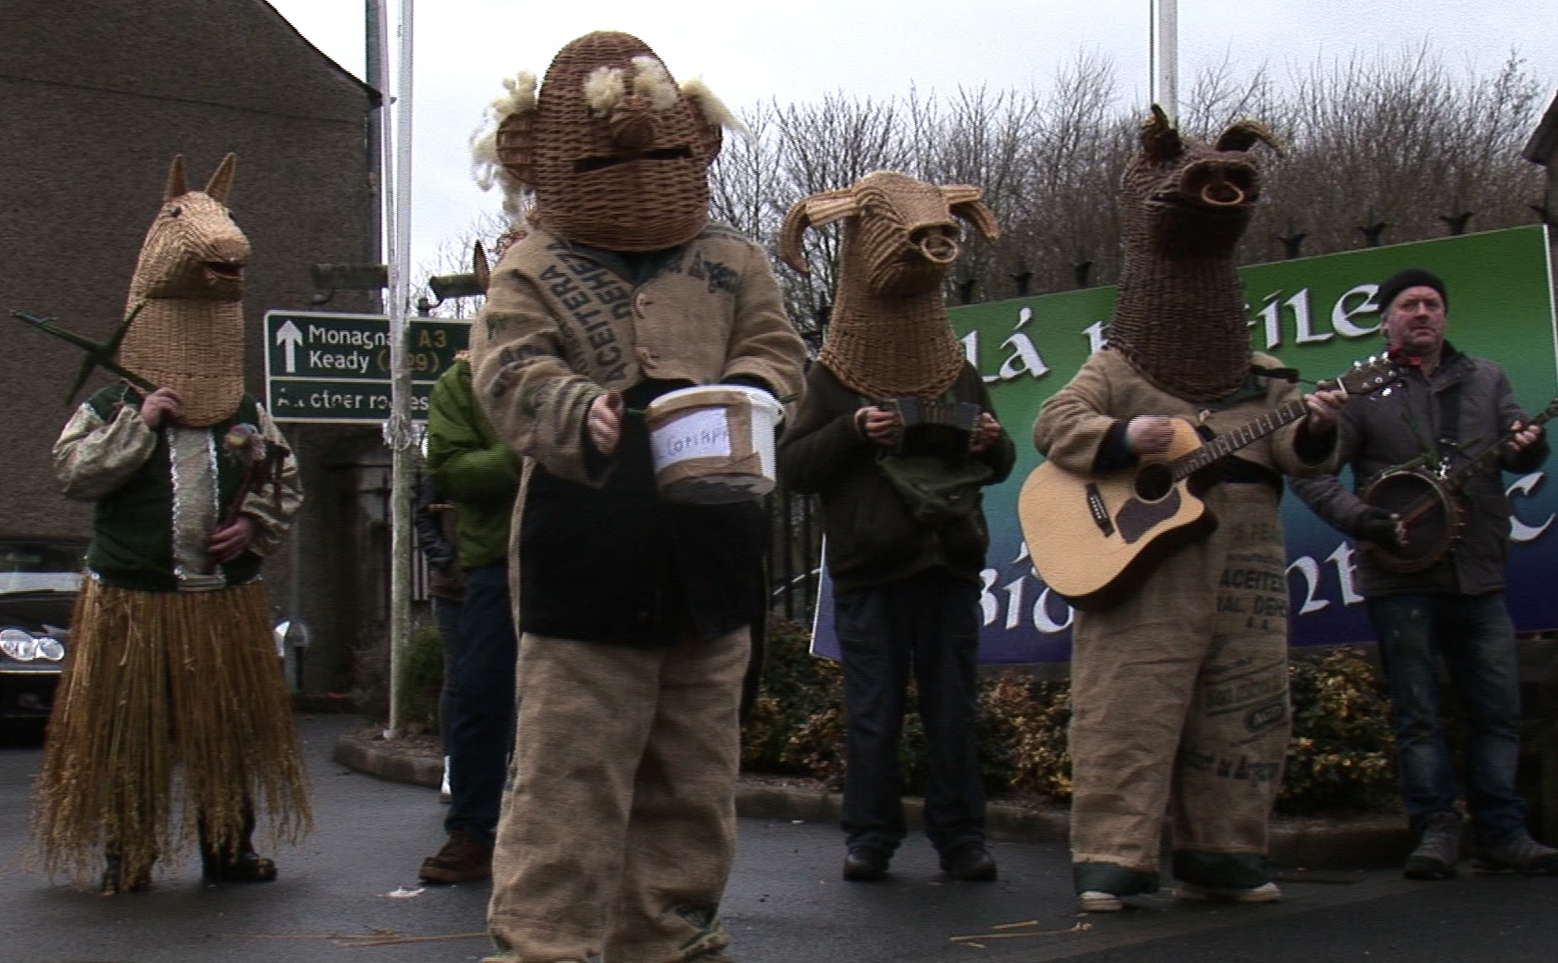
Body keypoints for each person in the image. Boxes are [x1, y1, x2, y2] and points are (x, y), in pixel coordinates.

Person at [466, 32, 805, 963]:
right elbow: (505, 366)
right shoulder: (529, 264)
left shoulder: (735, 260)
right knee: (570, 771)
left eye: (661, 152)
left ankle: (668, 932)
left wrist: (752, 393)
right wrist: (574, 405)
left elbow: (780, 351)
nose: (641, 172)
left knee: (695, 770)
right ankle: (544, 942)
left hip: (715, 541)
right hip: (587, 545)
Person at [1030, 108, 1345, 912]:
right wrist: (1127, 435)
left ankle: (1225, 849)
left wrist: (1318, 430)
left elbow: (1304, 457)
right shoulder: (1118, 364)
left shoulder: (1268, 377)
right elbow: (1054, 425)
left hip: (1247, 560)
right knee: (1127, 705)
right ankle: (1113, 855)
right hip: (1145, 566)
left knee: (1246, 703)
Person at [31, 152, 310, 895]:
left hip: (221, 604)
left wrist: (251, 525)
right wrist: (140, 424)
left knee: (226, 734)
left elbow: (286, 482)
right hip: (134, 603)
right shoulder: (110, 408)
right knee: (133, 737)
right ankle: (130, 854)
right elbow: (72, 473)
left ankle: (229, 847)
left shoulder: (249, 415)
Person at [1288, 268, 1558, 880]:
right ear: (1387, 319)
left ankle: (1503, 832)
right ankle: (1435, 832)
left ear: (1444, 316)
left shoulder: (1487, 378)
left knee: (1497, 710)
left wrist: (1526, 447)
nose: (1422, 313)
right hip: (1400, 576)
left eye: (1432, 304)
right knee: (1417, 714)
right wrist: (1364, 520)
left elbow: (1521, 443)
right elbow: (1309, 471)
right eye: (1409, 305)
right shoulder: (1360, 391)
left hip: (1479, 573)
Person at [774, 171, 1014, 883]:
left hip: (948, 566)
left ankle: (960, 837)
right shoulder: (832, 378)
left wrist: (989, 442)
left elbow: (1001, 458)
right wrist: (852, 429)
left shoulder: (956, 372)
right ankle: (871, 836)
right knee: (874, 714)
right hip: (870, 572)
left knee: (952, 711)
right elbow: (797, 468)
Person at [416, 354, 520, 884]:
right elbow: (451, 469)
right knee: (479, 695)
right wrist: (527, 450)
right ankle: (473, 833)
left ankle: (591, 834)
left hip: (588, 557)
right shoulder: (463, 378)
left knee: (590, 699)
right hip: (496, 564)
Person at [412, 472, 464, 805]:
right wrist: (442, 558)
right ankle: (452, 766)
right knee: (457, 677)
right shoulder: (446, 465)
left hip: (505, 586)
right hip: (453, 589)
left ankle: (507, 761)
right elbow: (423, 514)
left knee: (508, 677)